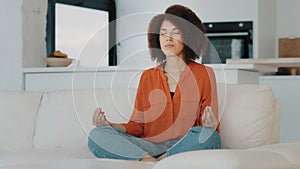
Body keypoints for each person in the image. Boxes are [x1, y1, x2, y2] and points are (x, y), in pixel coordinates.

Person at [88, 4, 221, 162]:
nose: (168, 38)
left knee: (210, 136)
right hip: (150, 146)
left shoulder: (205, 74)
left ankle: (160, 160)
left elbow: (205, 127)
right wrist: (109, 125)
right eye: (163, 33)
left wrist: (210, 126)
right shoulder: (147, 77)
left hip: (186, 145)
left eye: (175, 32)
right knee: (97, 135)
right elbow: (136, 127)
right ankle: (150, 161)